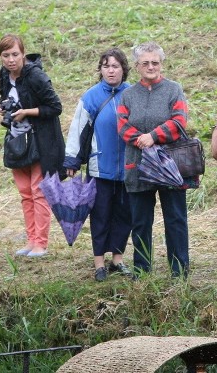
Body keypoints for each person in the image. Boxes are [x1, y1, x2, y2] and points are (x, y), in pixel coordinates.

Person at [117, 42, 191, 278]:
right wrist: (142, 140)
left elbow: (179, 122)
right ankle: (142, 270)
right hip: (137, 165)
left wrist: (153, 136)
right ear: (137, 66)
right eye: (145, 63)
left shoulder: (173, 89)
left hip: (171, 167)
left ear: (161, 63)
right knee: (140, 222)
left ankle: (179, 271)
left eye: (155, 62)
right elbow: (122, 126)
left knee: (176, 220)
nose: (151, 67)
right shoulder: (127, 95)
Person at [65, 48, 133, 282]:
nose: (111, 70)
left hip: (127, 168)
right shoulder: (91, 97)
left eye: (115, 66)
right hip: (99, 167)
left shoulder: (132, 94)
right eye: (106, 66)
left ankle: (118, 258)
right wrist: (72, 160)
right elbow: (77, 129)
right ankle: (99, 262)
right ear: (100, 70)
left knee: (124, 215)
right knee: (101, 215)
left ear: (124, 68)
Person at [0, 34, 64, 258]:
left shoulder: (36, 76)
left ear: (23, 54)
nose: (10, 60)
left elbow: (55, 107)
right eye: (5, 55)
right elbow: (8, 99)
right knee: (25, 193)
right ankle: (30, 239)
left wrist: (27, 112)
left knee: (38, 192)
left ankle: (40, 244)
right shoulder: (4, 75)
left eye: (15, 54)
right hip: (18, 141)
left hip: (42, 141)